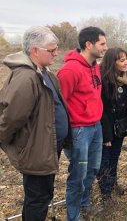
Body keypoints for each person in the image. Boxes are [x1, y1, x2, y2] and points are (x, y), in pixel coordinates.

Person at [0, 26, 70, 221]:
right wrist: (10, 143)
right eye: (51, 50)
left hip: (47, 147)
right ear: (34, 51)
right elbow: (12, 117)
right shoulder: (27, 77)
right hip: (36, 150)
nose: (56, 53)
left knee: (43, 195)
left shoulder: (44, 73)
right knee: (37, 199)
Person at [57, 26, 108, 221]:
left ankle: (85, 204)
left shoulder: (94, 65)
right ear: (89, 44)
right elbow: (59, 105)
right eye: (102, 43)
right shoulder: (70, 70)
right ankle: (73, 216)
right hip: (79, 130)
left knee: (92, 169)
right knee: (78, 175)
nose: (105, 47)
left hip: (96, 127)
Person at [97, 47, 127, 204]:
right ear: (111, 63)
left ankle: (113, 183)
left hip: (120, 126)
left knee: (115, 156)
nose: (126, 62)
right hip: (107, 127)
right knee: (104, 160)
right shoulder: (104, 80)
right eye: (122, 60)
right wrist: (106, 135)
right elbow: (102, 110)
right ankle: (105, 193)